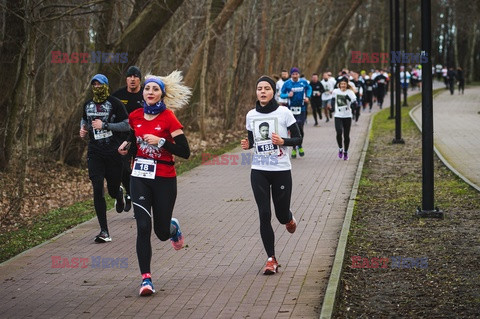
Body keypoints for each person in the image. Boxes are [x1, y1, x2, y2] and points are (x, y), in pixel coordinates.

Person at [118, 71, 191, 296]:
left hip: (164, 178)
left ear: (162, 94)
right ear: (143, 91)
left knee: (160, 232)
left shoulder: (169, 118)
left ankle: (172, 227)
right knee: (142, 227)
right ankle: (146, 280)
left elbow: (185, 152)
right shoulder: (135, 116)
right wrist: (125, 146)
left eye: (155, 89)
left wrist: (162, 142)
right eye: (147, 88)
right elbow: (133, 140)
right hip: (139, 177)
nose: (150, 92)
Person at [241, 75, 302, 275]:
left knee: (281, 214)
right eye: (259, 88)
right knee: (264, 214)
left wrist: (284, 141)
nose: (263, 91)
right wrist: (247, 145)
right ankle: (271, 258)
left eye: (267, 88)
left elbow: (299, 138)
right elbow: (252, 141)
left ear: (273, 91)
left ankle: (289, 218)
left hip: (281, 170)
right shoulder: (251, 115)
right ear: (256, 92)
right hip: (259, 170)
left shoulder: (284, 112)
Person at [79, 74, 130, 243]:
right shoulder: (88, 104)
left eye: (100, 85)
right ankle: (104, 231)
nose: (97, 88)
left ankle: (119, 193)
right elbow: (84, 120)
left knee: (113, 189)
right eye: (94, 85)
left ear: (106, 86)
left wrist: (105, 125)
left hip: (113, 152)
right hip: (95, 153)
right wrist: (83, 129)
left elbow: (126, 125)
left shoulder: (115, 103)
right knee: (97, 187)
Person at [112, 66, 144, 213]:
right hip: (123, 138)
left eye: (135, 76)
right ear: (126, 79)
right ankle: (129, 193)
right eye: (130, 76)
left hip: (142, 137)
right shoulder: (118, 95)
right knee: (124, 168)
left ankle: (140, 200)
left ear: (139, 79)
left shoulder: (146, 93)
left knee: (140, 169)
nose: (132, 79)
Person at [280, 67, 311, 158]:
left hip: (302, 108)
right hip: (291, 109)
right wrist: (287, 95)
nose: (295, 75)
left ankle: (300, 145)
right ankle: (294, 148)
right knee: (293, 129)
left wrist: (308, 97)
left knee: (300, 128)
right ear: (291, 75)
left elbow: (309, 89)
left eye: (296, 74)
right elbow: (281, 94)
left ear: (298, 74)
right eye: (293, 74)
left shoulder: (303, 82)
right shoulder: (287, 83)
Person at [331, 77, 357, 161]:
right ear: (339, 84)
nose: (343, 85)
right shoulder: (335, 91)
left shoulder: (350, 92)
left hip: (347, 116)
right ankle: (340, 148)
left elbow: (354, 102)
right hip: (338, 115)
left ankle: (346, 151)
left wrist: (349, 100)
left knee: (346, 135)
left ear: (347, 84)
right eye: (341, 84)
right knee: (339, 132)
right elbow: (333, 100)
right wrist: (331, 108)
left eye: (344, 84)